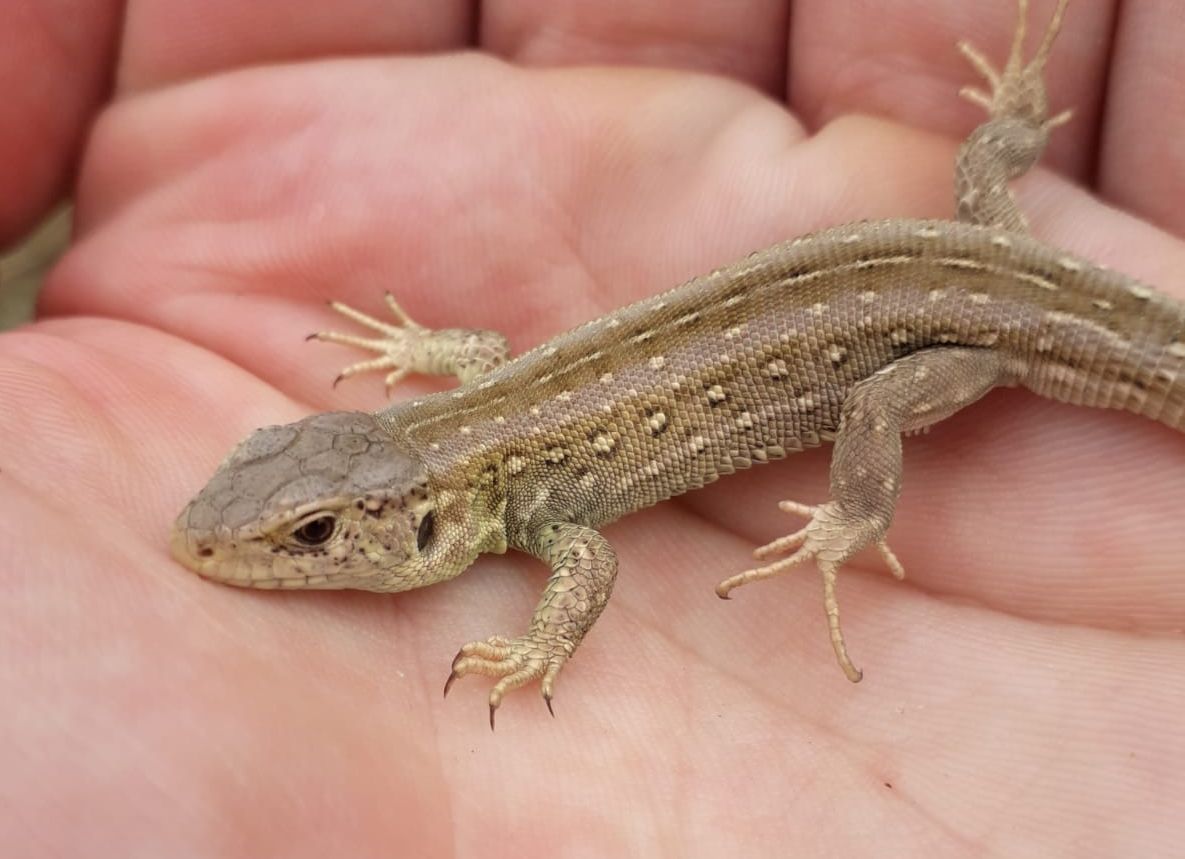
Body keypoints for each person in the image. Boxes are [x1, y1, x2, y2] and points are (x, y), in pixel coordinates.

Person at [1, 1, 1182, 854]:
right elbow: (485, 360)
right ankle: (1009, 134)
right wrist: (422, 348)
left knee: (875, 401)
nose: (276, 544)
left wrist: (546, 648)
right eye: (304, 527)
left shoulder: (522, 500)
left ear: (421, 522)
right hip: (973, 269)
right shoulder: (481, 429)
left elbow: (590, 561)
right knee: (981, 180)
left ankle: (859, 512)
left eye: (312, 532)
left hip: (975, 327)